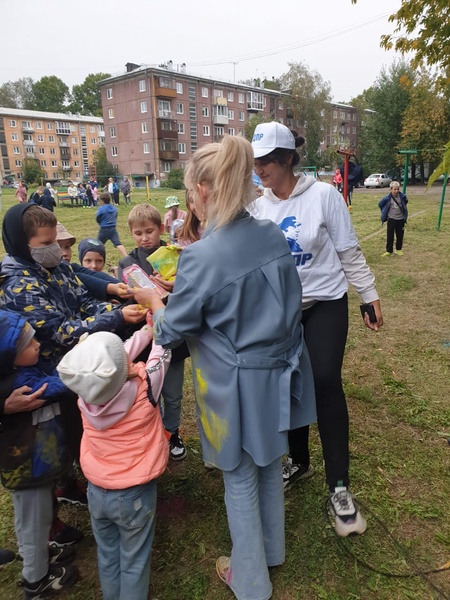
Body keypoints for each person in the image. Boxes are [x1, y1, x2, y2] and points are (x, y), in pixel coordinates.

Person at [133, 135, 316, 600]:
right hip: (277, 373)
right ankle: (271, 551)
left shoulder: (201, 255)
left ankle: (251, 578)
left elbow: (172, 332)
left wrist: (156, 300)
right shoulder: (270, 234)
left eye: (192, 192)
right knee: (269, 463)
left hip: (232, 386)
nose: (191, 200)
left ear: (206, 191)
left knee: (238, 476)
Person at [251, 121, 383, 537]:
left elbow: (348, 249)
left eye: (267, 160)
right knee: (288, 384)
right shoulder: (258, 206)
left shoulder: (325, 196)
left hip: (325, 303)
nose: (259, 168)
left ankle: (339, 488)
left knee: (324, 381)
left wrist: (368, 293)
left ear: (289, 158)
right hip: (281, 310)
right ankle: (299, 461)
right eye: (256, 161)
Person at [0, 204, 146, 522]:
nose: (55, 249)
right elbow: (63, 332)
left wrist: (109, 309)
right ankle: (56, 504)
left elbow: (82, 301)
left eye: (56, 240)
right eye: (45, 244)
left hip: (78, 362)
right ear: (21, 245)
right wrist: (116, 317)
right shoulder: (17, 287)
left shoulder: (57, 268)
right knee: (53, 440)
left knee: (75, 429)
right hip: (50, 372)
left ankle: (69, 480)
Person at [57, 328, 170, 600]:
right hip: (134, 494)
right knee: (134, 560)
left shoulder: (85, 395)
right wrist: (157, 331)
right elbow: (161, 355)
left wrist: (144, 331)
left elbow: (112, 364)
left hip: (96, 490)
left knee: (107, 555)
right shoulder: (146, 387)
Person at [0, 310, 80, 598]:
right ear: (10, 356)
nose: (37, 345)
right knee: (33, 521)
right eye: (30, 343)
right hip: (27, 468)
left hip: (38, 465)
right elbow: (59, 385)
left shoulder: (21, 370)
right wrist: (86, 372)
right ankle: (36, 581)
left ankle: (41, 559)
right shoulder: (20, 385)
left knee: (39, 516)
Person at [119, 204, 188, 461]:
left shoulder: (175, 256)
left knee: (173, 392)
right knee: (147, 391)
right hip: (145, 340)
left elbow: (187, 295)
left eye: (149, 231)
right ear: (131, 233)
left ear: (161, 229)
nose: (144, 237)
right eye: (138, 233)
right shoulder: (127, 263)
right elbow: (125, 298)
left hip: (174, 339)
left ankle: (172, 431)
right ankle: (153, 431)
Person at [56, 224, 131, 303]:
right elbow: (80, 278)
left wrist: (123, 287)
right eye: (57, 247)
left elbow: (90, 274)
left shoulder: (71, 268)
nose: (64, 253)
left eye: (67, 247)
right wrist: (113, 289)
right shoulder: (57, 278)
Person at [378, 181, 408, 257]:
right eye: (395, 189)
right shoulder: (387, 198)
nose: (396, 191)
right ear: (390, 189)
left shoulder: (402, 197)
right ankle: (389, 250)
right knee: (390, 235)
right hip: (391, 219)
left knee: (400, 235)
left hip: (400, 219)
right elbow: (380, 204)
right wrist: (385, 211)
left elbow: (406, 202)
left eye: (398, 189)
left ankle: (398, 249)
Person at [96, 192, 127, 257]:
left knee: (98, 244)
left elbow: (98, 218)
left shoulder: (101, 209)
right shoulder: (114, 208)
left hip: (104, 229)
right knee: (118, 244)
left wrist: (100, 222)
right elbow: (115, 216)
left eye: (100, 200)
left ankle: (96, 256)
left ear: (102, 201)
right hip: (113, 229)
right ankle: (126, 256)